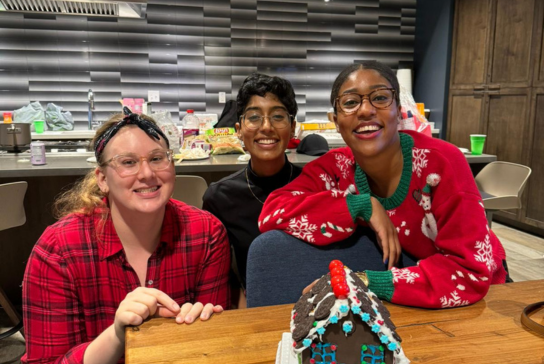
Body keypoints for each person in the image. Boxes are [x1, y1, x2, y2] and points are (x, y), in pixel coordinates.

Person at [259, 61, 507, 309]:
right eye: (350, 102)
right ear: (335, 120)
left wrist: (366, 283)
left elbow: (470, 273)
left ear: (399, 111)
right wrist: (361, 205)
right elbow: (272, 212)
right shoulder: (336, 167)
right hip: (410, 298)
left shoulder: (441, 163)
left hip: (481, 297)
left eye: (380, 98)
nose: (365, 110)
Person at [22, 109, 230, 364]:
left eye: (157, 158)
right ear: (102, 179)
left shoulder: (207, 234)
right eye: (128, 162)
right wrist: (117, 335)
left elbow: (217, 348)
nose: (147, 174)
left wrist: (201, 326)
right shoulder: (58, 250)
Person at [202, 73, 303, 300]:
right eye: (254, 117)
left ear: (293, 127)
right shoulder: (219, 198)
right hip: (256, 308)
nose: (266, 127)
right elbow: (221, 273)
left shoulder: (315, 186)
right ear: (239, 129)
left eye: (278, 116)